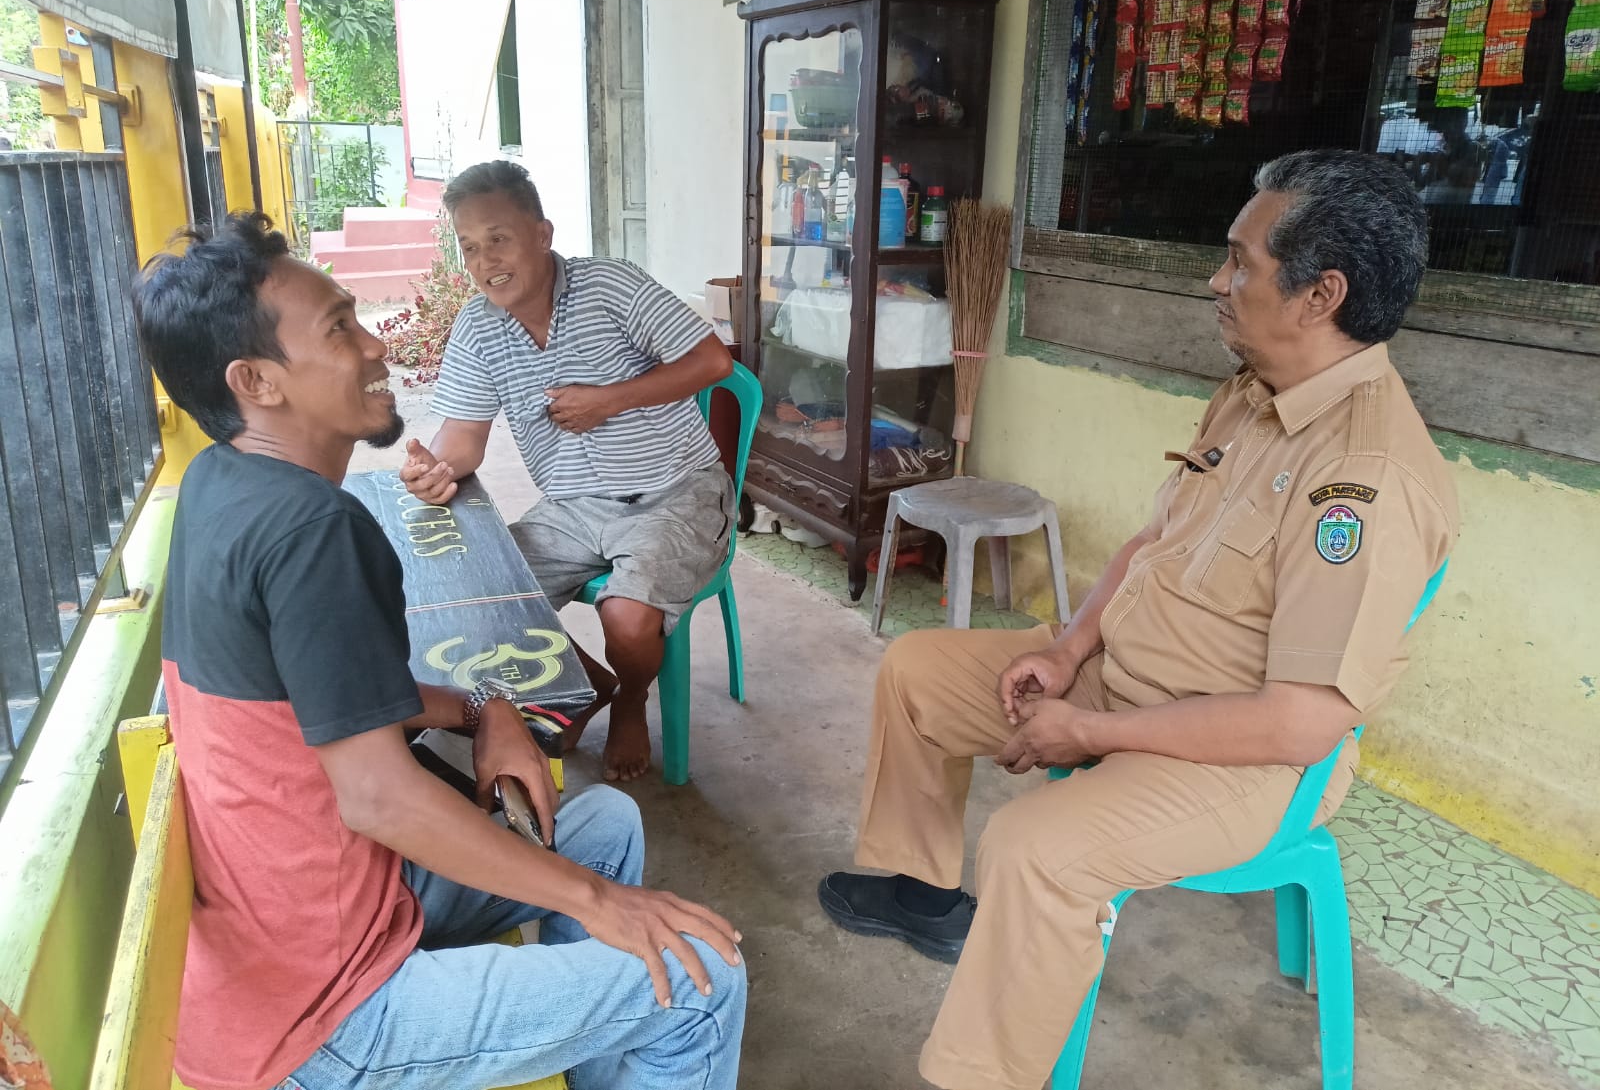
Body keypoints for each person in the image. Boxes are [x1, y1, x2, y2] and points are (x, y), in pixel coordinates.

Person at [818, 149, 1459, 1090]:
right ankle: (919, 889)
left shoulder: (1364, 483)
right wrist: (1072, 650)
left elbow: (1299, 722)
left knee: (1034, 848)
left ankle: (977, 1075)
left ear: (1322, 294)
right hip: (1122, 678)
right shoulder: (1251, 391)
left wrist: (1090, 729)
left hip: (1242, 757)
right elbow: (1152, 537)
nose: (1218, 279)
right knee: (917, 670)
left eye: (1240, 263)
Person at [135, 213, 745, 1090]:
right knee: (703, 976)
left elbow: (327, 692)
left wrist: (485, 706)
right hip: (327, 1015)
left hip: (316, 926)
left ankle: (600, 1054)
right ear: (257, 380)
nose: (377, 344)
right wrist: (599, 904)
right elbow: (382, 797)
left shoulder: (222, 484)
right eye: (341, 328)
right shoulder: (311, 530)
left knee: (606, 826)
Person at [401, 161, 734, 782]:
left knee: (627, 617)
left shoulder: (611, 286)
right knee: (475, 593)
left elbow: (712, 361)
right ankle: (593, 682)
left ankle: (632, 699)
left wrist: (611, 398)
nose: (484, 260)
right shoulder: (477, 327)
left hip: (675, 491)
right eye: (469, 247)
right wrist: (435, 466)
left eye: (498, 238)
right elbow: (465, 438)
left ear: (543, 234)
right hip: (572, 507)